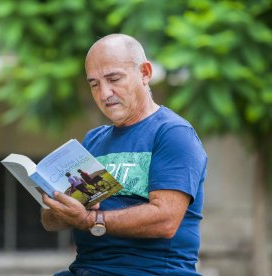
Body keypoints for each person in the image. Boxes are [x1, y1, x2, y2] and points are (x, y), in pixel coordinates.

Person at [41, 34, 207, 276]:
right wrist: (57, 206)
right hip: (86, 269)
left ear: (145, 73)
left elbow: (165, 219)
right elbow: (51, 222)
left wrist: (90, 220)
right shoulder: (93, 140)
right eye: (94, 84)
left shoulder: (173, 133)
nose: (105, 93)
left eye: (114, 79)